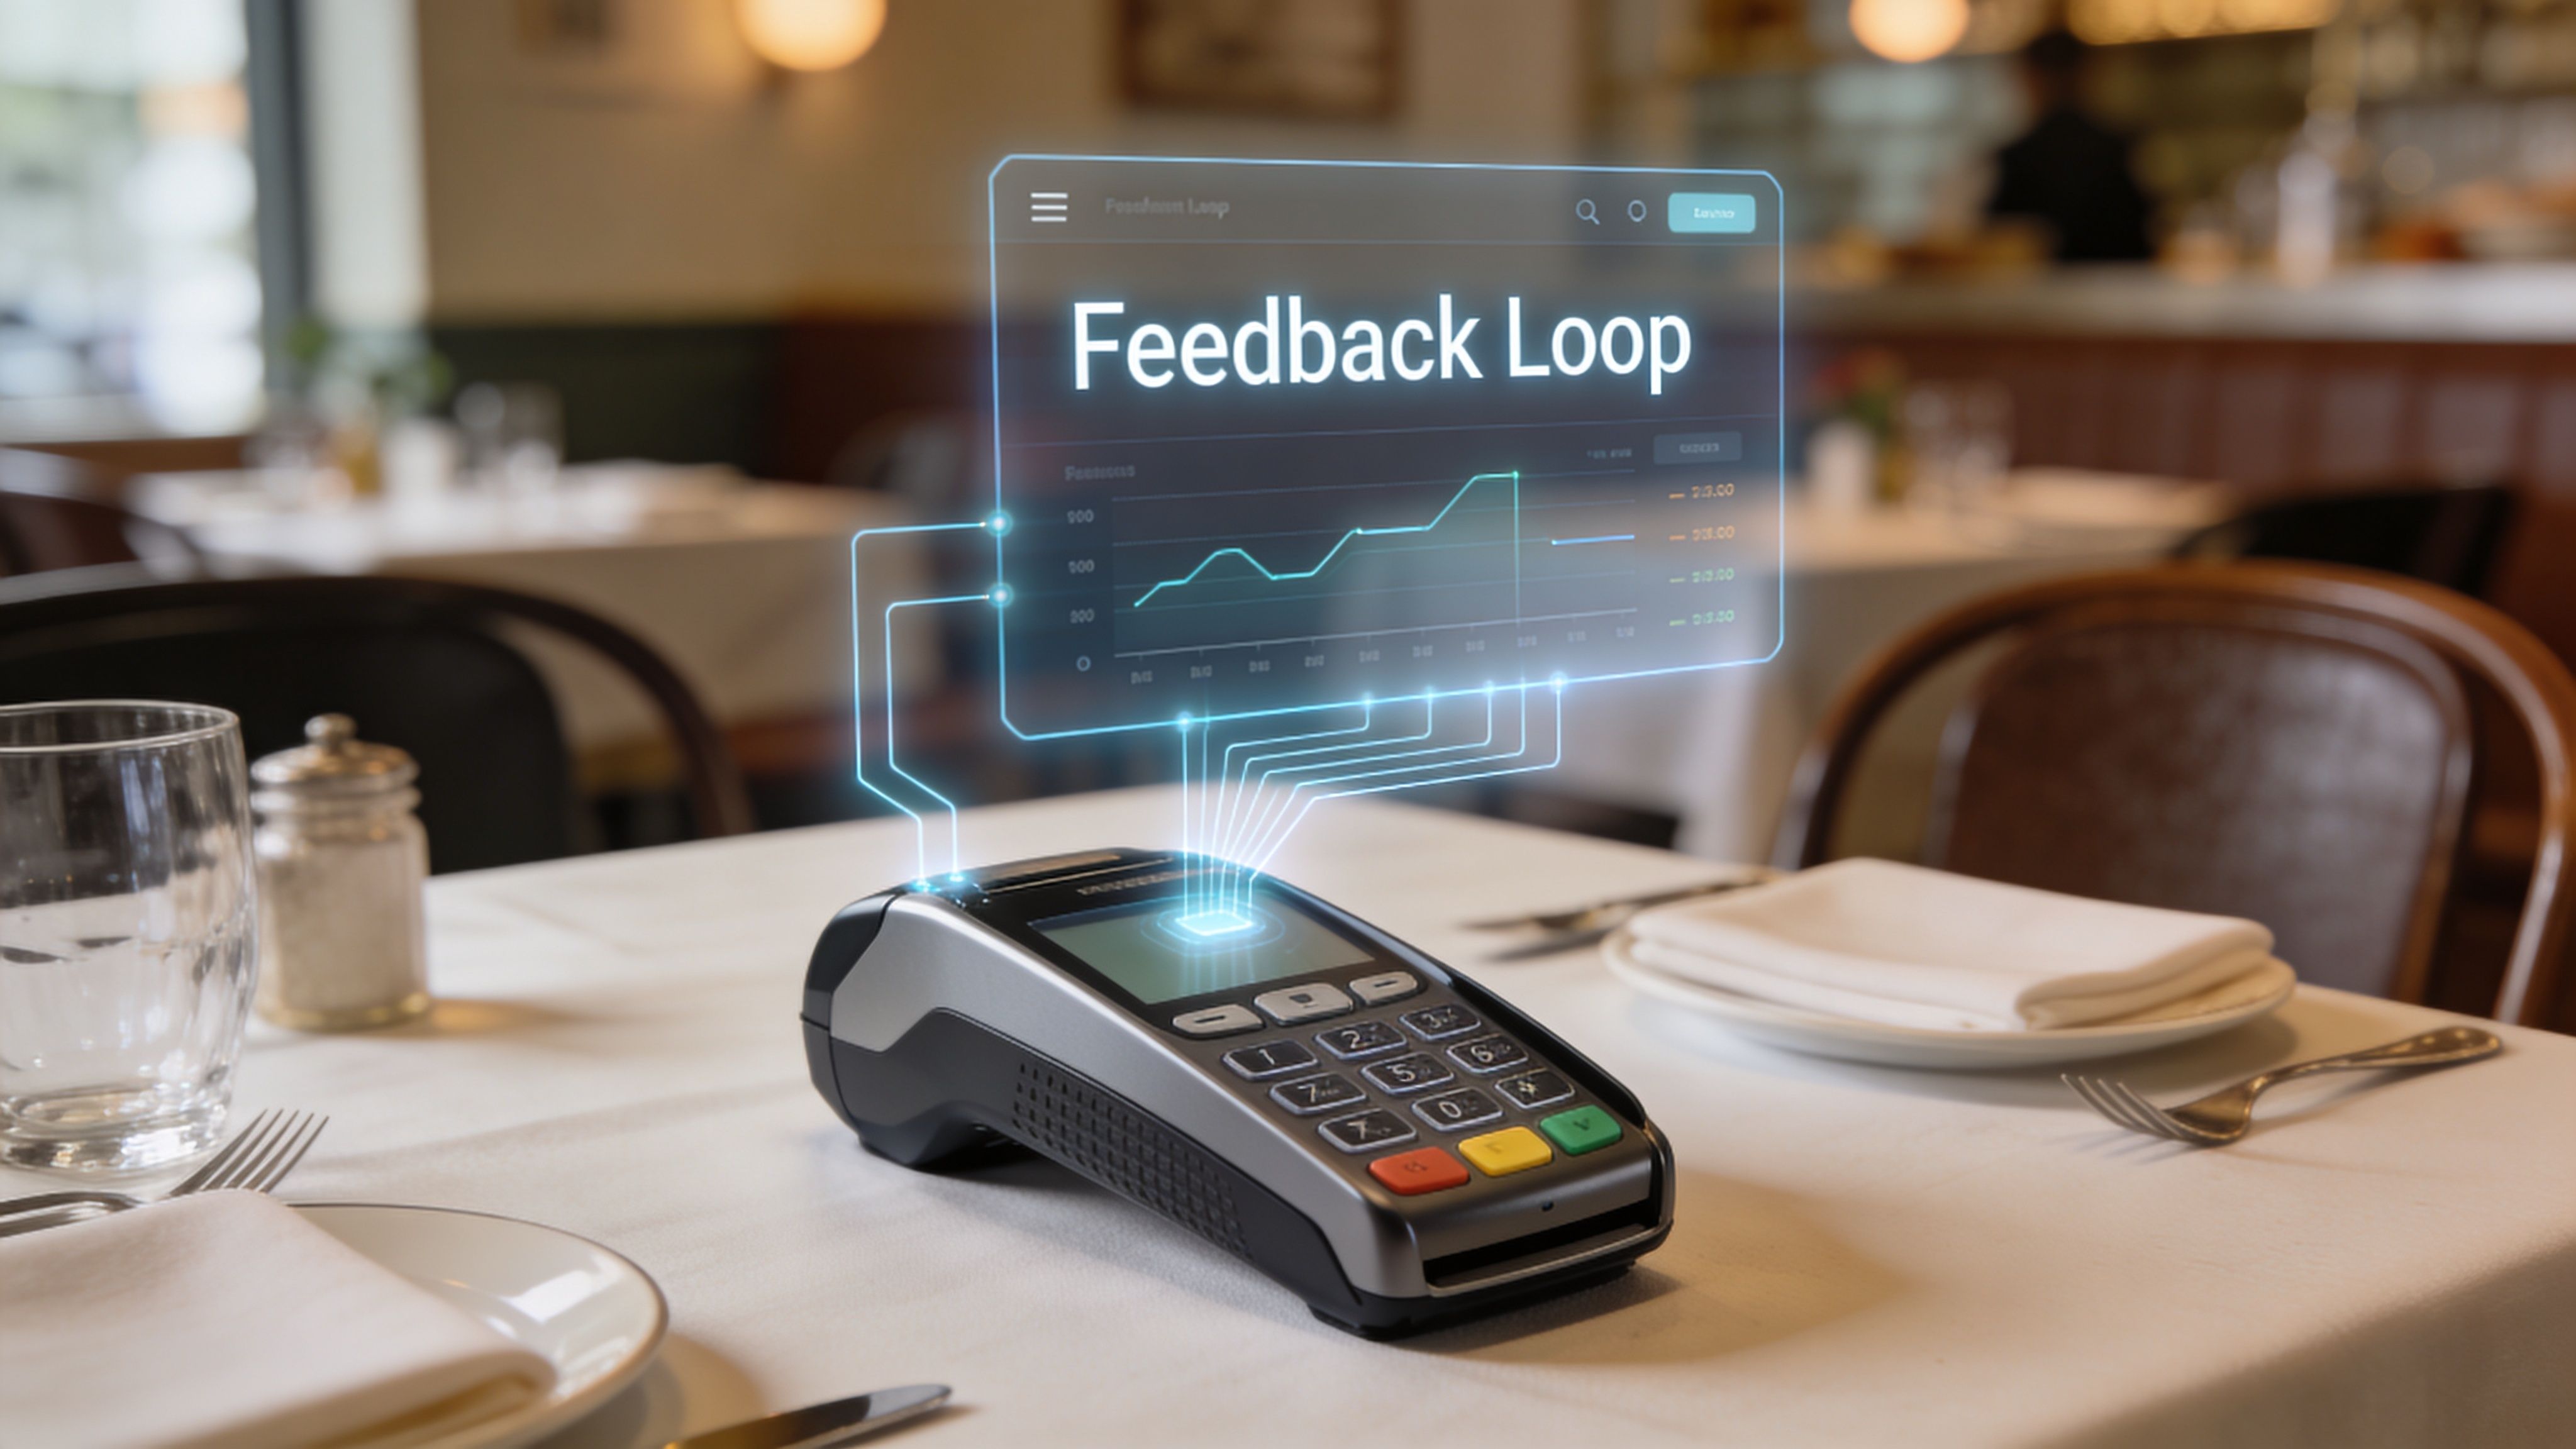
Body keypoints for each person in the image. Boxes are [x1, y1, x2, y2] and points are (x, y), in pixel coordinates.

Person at [1985, 29, 2155, 263]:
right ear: (2088, 74)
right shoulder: (2116, 148)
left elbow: (2000, 241)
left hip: (2037, 295)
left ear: (2030, 76)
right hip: (2117, 289)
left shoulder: (2017, 156)